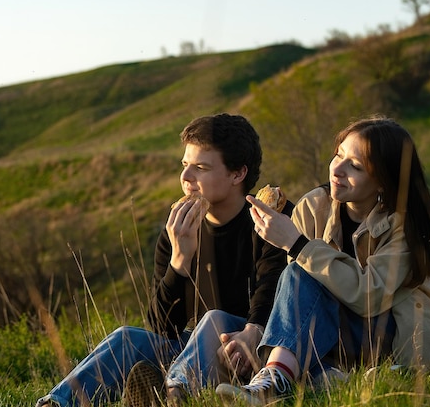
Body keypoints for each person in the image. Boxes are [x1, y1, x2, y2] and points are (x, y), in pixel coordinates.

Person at [35, 113, 293, 407]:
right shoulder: (177, 230)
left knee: (214, 319)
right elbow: (163, 328)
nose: (185, 178)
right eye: (185, 165)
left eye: (200, 167)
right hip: (192, 351)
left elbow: (274, 284)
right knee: (127, 338)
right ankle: (58, 403)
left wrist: (254, 328)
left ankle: (174, 394)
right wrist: (179, 261)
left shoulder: (270, 218)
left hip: (252, 348)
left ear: (237, 174)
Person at [216, 116, 430, 405]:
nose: (338, 169)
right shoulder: (313, 206)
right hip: (332, 331)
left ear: (383, 181)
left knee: (301, 268)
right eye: (339, 155)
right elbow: (298, 298)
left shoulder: (404, 227)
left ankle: (287, 378)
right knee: (291, 277)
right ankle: (276, 380)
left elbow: (368, 296)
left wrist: (297, 244)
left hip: (389, 337)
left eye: (355, 166)